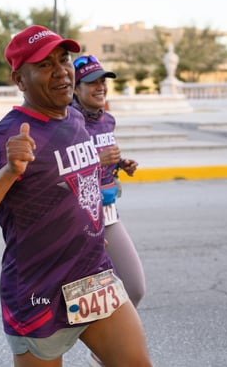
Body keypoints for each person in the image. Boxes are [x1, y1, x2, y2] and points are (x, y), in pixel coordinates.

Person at [0, 25, 152, 367]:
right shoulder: (6, 136)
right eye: (44, 65)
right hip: (38, 292)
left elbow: (81, 188)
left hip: (93, 277)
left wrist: (88, 233)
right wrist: (9, 171)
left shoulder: (75, 118)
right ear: (19, 79)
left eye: (63, 59)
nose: (61, 70)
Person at [72, 55, 146, 367]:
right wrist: (97, 160)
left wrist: (119, 163)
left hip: (110, 213)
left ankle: (99, 353)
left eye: (103, 80)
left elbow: (104, 158)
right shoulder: (69, 123)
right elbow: (63, 172)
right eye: (92, 82)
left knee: (134, 287)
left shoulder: (107, 119)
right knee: (76, 299)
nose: (100, 87)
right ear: (76, 88)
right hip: (80, 219)